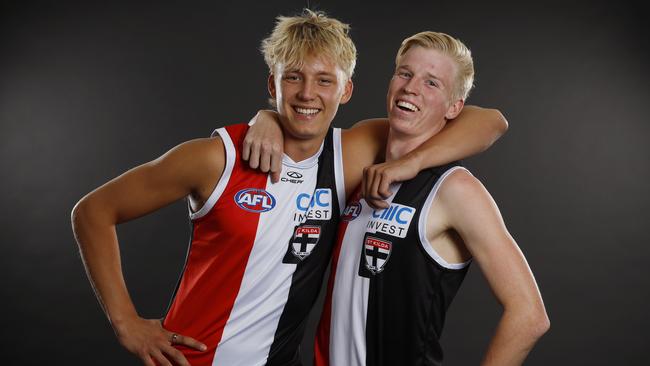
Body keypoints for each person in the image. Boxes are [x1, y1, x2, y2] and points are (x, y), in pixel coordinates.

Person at [71, 10, 506, 366]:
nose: (307, 94)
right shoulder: (215, 157)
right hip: (193, 359)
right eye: (293, 77)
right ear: (271, 85)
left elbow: (488, 121)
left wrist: (409, 163)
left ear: (347, 90)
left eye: (324, 80)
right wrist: (125, 322)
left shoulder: (351, 153)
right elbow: (92, 212)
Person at [309, 31, 549, 365]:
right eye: (405, 74)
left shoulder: (454, 188)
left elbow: (530, 315)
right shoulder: (361, 170)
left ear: (455, 107)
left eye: (431, 82)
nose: (411, 88)